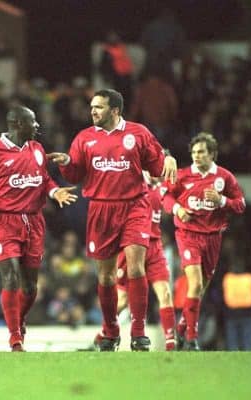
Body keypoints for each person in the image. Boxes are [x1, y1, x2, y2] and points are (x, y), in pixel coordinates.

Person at [47, 88, 177, 351]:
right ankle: (110, 330)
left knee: (136, 266)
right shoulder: (84, 138)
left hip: (134, 206)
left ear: (115, 110)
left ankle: (138, 332)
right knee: (106, 277)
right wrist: (65, 163)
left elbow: (156, 166)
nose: (93, 111)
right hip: (100, 209)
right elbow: (74, 175)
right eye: (92, 107)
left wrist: (170, 159)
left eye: (99, 107)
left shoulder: (138, 133)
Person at [0, 106, 77, 351]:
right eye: (33, 122)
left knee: (31, 287)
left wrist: (55, 191)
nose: (38, 126)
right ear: (18, 124)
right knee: (10, 276)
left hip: (33, 221)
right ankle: (15, 338)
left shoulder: (37, 150)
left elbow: (43, 179)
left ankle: (18, 321)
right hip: (3, 221)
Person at [162, 132, 245, 350]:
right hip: (188, 235)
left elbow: (241, 204)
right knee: (195, 284)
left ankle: (181, 329)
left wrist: (222, 200)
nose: (196, 156)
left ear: (212, 154)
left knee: (200, 289)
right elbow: (166, 197)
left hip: (213, 238)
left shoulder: (224, 178)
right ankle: (191, 338)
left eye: (201, 152)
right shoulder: (183, 175)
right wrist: (178, 209)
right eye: (194, 153)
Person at [94, 172, 176, 351]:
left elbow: (171, 200)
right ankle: (104, 332)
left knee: (165, 293)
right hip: (133, 246)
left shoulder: (163, 187)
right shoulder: (135, 184)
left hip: (154, 246)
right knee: (122, 300)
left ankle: (172, 343)